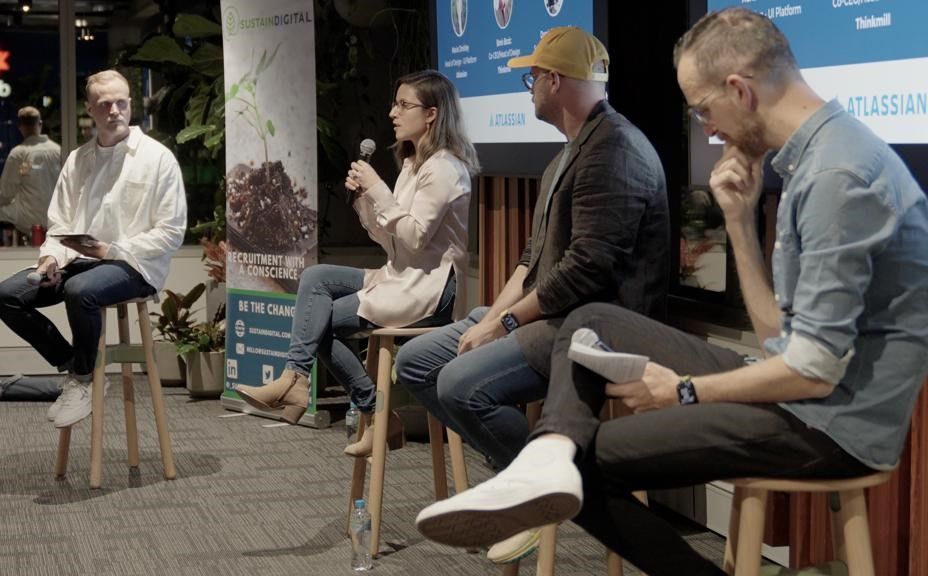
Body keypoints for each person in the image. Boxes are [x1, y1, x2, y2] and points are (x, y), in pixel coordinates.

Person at [413, 9, 928, 575]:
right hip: (808, 391)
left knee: (581, 473)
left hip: (831, 426)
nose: (707, 129)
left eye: (705, 109)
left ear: (740, 90)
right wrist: (738, 222)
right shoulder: (819, 157)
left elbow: (814, 372)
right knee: (590, 321)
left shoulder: (838, 176)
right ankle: (547, 454)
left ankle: (548, 460)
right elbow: (781, 338)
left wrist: (685, 391)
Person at [395, 25, 667, 524]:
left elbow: (587, 271)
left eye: (532, 79)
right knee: (414, 361)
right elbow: (530, 261)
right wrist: (491, 317)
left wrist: (503, 324)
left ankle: (550, 488)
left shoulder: (615, 150)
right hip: (552, 316)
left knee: (458, 384)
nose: (531, 90)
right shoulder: (566, 155)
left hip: (595, 327)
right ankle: (530, 479)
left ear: (555, 81)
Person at [234, 70, 479, 455]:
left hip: (430, 290)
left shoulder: (445, 168)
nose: (393, 113)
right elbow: (390, 241)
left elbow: (414, 236)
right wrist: (367, 198)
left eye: (403, 105)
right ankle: (297, 380)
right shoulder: (414, 165)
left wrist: (378, 188)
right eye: (394, 104)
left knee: (320, 322)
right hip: (399, 275)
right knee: (316, 279)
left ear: (431, 114)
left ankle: (368, 411)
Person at [0, 70, 187, 429]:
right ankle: (73, 366)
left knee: (81, 292)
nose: (115, 110)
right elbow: (60, 224)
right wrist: (50, 258)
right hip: (76, 260)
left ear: (131, 104)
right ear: (91, 109)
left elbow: (171, 233)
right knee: (6, 296)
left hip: (134, 265)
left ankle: (83, 380)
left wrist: (112, 249)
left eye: (122, 102)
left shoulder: (158, 158)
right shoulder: (78, 160)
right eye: (106, 104)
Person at [0, 106, 62, 235]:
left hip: (30, 220)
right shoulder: (59, 150)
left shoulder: (18, 154)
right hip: (57, 218)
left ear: (20, 127)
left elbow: (7, 192)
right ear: (40, 124)